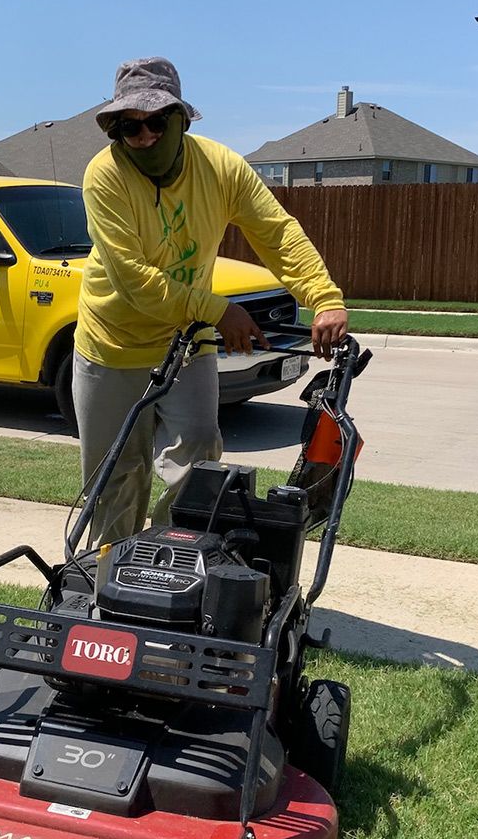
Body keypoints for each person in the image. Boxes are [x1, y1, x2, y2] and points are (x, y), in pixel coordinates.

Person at [74, 56, 349, 544]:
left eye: (156, 121)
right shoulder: (104, 175)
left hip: (185, 341)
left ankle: (165, 561)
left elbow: (277, 233)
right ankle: (108, 583)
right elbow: (134, 281)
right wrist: (218, 310)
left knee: (199, 460)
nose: (143, 136)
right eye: (127, 126)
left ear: (181, 118)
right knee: (115, 476)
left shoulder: (220, 167)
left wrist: (323, 298)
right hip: (110, 346)